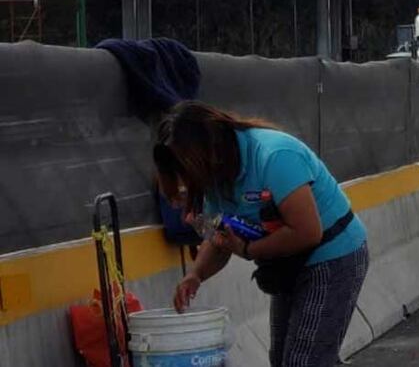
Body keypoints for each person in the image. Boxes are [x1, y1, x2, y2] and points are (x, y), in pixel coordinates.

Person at [154, 101, 369, 367]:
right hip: (287, 263)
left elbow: (307, 232)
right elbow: (219, 237)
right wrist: (196, 275)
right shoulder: (215, 177)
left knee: (304, 361)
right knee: (281, 358)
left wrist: (248, 250)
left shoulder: (274, 156)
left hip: (333, 255)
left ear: (209, 151)